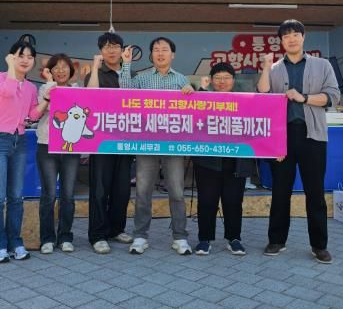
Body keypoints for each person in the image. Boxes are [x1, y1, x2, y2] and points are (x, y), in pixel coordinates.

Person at [257, 19, 340, 264]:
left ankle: (319, 245)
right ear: (281, 41)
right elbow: (263, 95)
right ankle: (276, 240)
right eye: (286, 36)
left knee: (315, 192)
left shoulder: (322, 65)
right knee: (280, 191)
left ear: (304, 37)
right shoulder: (275, 68)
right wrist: (265, 68)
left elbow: (333, 96)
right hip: (282, 137)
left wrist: (304, 98)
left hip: (312, 135)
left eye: (295, 34)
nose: (291, 39)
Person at [119, 37, 194, 255]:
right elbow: (124, 91)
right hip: (147, 142)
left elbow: (192, 110)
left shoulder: (181, 79)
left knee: (177, 192)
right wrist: (126, 64)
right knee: (143, 191)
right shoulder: (142, 78)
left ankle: (180, 237)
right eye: (156, 50)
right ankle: (140, 236)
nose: (160, 53)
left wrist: (191, 91)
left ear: (173, 55)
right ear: (151, 55)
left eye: (165, 49)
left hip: (173, 144)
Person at [0, 41, 49, 263]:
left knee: (16, 197)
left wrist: (46, 100)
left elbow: (32, 115)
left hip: (19, 141)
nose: (25, 60)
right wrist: (11, 67)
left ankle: (15, 242)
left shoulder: (30, 88)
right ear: (11, 57)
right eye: (21, 55)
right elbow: (8, 92)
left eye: (30, 57)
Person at [193, 62, 254, 256]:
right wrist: (202, 91)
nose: (222, 81)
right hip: (207, 160)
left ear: (233, 80)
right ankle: (204, 239)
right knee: (207, 201)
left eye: (226, 78)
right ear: (211, 80)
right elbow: (192, 117)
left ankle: (234, 239)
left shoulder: (244, 101)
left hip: (236, 161)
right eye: (217, 78)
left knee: (233, 201)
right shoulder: (203, 98)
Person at [84, 32, 134, 254]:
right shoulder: (96, 74)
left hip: (126, 140)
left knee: (122, 190)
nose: (111, 50)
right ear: (100, 52)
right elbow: (90, 96)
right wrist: (95, 68)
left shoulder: (130, 74)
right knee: (100, 189)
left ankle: (116, 229)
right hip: (102, 140)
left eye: (115, 46)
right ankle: (97, 234)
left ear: (122, 50)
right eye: (106, 47)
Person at [36, 53, 81, 254]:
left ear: (71, 70)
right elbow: (45, 108)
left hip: (70, 148)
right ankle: (47, 238)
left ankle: (65, 237)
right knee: (49, 195)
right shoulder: (44, 88)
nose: (61, 71)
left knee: (68, 195)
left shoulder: (77, 91)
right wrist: (49, 83)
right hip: (47, 146)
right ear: (50, 71)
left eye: (65, 67)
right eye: (56, 67)